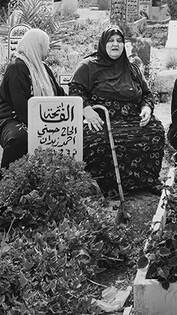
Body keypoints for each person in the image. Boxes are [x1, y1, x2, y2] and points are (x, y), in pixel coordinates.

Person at [69, 26, 166, 193]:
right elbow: (75, 90)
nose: (115, 44)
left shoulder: (131, 68)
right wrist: (86, 109)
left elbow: (147, 94)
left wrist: (146, 108)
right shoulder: (88, 66)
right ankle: (105, 186)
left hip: (132, 119)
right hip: (102, 120)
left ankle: (146, 181)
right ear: (103, 44)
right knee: (96, 141)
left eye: (119, 41)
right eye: (111, 41)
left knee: (155, 131)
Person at [0, 28, 65, 178]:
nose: (49, 48)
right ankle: (6, 182)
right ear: (37, 46)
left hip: (44, 120)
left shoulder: (44, 69)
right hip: (13, 119)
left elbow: (60, 95)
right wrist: (45, 126)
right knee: (21, 139)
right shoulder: (16, 68)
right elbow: (21, 106)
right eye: (46, 45)